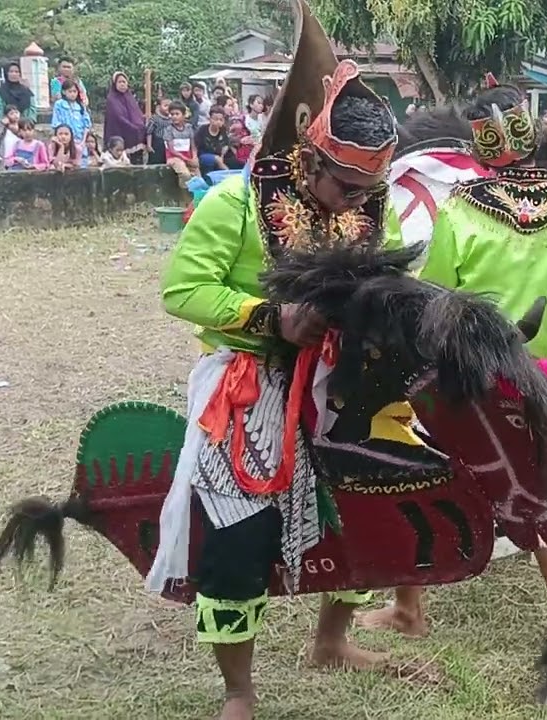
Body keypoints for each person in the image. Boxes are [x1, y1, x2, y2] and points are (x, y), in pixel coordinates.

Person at [150, 18, 404, 713]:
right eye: (347, 185)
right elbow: (182, 291)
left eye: (369, 187)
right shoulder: (235, 201)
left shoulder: (372, 205)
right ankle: (239, 689)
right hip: (250, 377)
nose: (359, 201)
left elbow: (394, 280)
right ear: (311, 158)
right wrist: (272, 318)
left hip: (343, 374)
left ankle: (332, 640)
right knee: (240, 529)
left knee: (370, 503)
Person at [361, 77, 547, 638]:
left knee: (423, 479)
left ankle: (409, 610)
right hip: (540, 373)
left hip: (463, 377)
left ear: (478, 145)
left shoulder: (463, 208)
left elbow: (438, 295)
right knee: (543, 488)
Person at [104, 71, 147, 164]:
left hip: (134, 133)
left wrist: (141, 123)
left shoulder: (129, 97)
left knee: (137, 161)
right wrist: (132, 127)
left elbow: (136, 113)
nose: (122, 84)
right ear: (115, 84)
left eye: (124, 82)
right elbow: (118, 116)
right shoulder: (112, 98)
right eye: (119, 82)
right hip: (119, 131)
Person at [161, 100, 199, 185]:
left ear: (184, 115)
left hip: (188, 157)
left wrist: (194, 157)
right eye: (172, 114)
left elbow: (193, 147)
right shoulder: (169, 129)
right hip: (174, 158)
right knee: (185, 175)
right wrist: (186, 159)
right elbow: (172, 150)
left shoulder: (189, 128)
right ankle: (183, 192)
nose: (174, 116)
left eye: (177, 114)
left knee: (198, 177)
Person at [195, 107, 240, 172]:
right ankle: (228, 173)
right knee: (217, 159)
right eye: (216, 119)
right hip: (204, 155)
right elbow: (197, 146)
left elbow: (226, 144)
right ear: (210, 119)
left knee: (237, 160)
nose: (218, 122)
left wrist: (225, 149)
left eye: (221, 119)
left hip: (220, 155)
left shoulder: (223, 130)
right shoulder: (203, 129)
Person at [146, 96, 173, 165]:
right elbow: (149, 132)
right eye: (165, 106)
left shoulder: (172, 119)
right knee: (156, 162)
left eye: (170, 106)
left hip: (169, 143)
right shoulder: (154, 118)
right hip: (157, 143)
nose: (168, 108)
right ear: (158, 107)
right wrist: (149, 145)